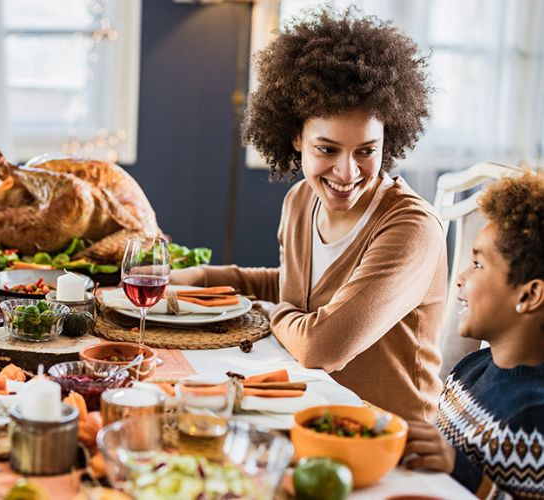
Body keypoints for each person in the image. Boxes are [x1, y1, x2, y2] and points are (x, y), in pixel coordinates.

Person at [172, 8, 447, 422]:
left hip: (386, 440)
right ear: (296, 137)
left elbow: (322, 346)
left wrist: (271, 311)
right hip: (304, 412)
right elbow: (304, 294)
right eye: (327, 149)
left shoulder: (410, 229)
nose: (347, 173)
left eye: (366, 151)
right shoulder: (302, 200)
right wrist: (205, 278)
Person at [404, 171, 543, 499]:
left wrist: (461, 470)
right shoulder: (469, 370)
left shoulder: (533, 417)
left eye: (478, 265)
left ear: (529, 296)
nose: (461, 277)